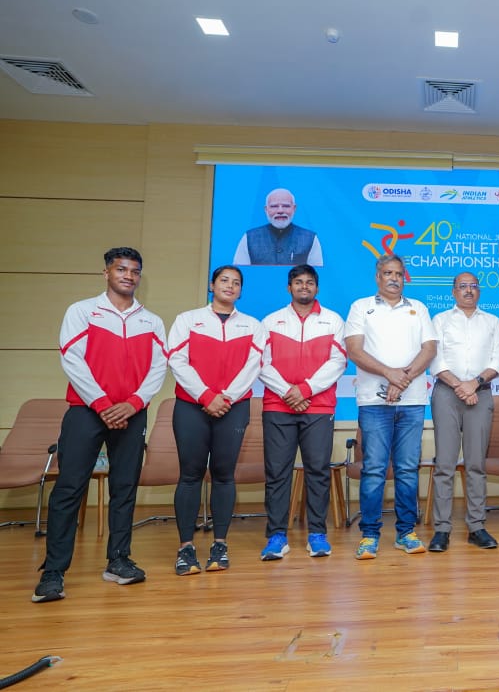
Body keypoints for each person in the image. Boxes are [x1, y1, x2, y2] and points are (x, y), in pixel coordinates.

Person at [33, 247, 167, 603]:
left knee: (124, 488)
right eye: (121, 269)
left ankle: (119, 560)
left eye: (134, 271)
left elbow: (158, 367)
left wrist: (133, 404)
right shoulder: (82, 312)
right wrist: (104, 404)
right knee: (69, 488)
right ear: (106, 273)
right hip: (86, 411)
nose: (128, 276)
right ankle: (53, 571)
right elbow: (72, 359)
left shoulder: (151, 321)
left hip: (132, 413)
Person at [167, 266, 265, 575]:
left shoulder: (253, 325)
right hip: (191, 406)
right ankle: (185, 548)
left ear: (241, 290)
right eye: (224, 280)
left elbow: (254, 365)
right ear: (212, 285)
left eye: (236, 283)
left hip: (233, 408)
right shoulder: (187, 320)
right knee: (190, 475)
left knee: (224, 475)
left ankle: (220, 545)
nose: (230, 286)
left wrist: (226, 398)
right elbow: (177, 360)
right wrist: (206, 396)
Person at [346, 253, 437, 559]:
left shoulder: (418, 308)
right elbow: (355, 351)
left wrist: (401, 380)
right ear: (378, 277)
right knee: (374, 469)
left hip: (412, 402)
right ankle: (369, 535)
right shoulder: (361, 307)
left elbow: (429, 349)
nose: (394, 278)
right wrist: (389, 374)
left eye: (398, 273)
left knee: (407, 469)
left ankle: (406, 532)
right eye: (388, 273)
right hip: (374, 402)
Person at [258, 264, 346, 561]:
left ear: (316, 288)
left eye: (309, 282)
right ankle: (276, 536)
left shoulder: (333, 320)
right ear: (289, 287)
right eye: (298, 282)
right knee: (277, 472)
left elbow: (338, 362)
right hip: (278, 406)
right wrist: (289, 392)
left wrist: (305, 390)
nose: (304, 286)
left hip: (318, 407)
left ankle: (317, 534)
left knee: (318, 471)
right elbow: (261, 363)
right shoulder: (271, 321)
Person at [428, 272, 499, 552]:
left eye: (473, 286)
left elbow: (498, 360)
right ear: (453, 292)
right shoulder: (440, 320)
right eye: (463, 286)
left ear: (479, 291)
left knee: (476, 464)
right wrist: (460, 386)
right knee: (444, 465)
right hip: (446, 395)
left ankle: (476, 526)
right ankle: (441, 529)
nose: (469, 291)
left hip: (480, 394)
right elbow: (435, 359)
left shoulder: (492, 322)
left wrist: (474, 383)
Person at [233, 188, 324, 266]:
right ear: (266, 209)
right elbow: (240, 272)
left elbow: (317, 275)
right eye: (274, 206)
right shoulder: (249, 237)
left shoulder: (310, 238)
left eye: (286, 206)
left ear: (294, 208)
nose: (280, 211)